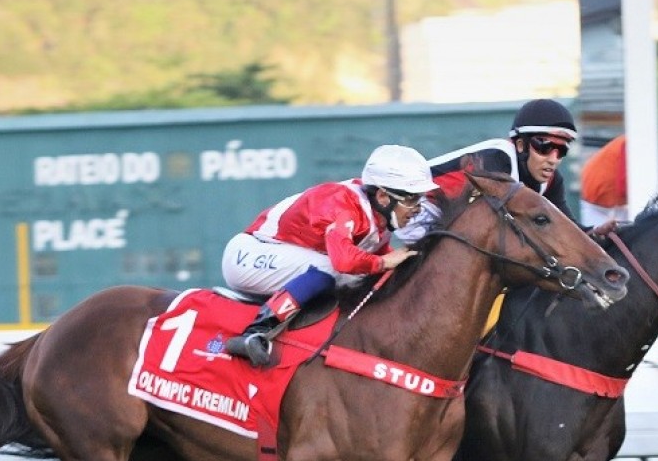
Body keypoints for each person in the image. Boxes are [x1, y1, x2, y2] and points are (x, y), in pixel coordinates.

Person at [221, 144, 439, 366]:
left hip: (282, 256)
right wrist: (383, 261)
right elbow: (343, 260)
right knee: (330, 269)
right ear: (383, 196)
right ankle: (256, 332)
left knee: (361, 277)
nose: (417, 209)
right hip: (248, 255)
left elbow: (371, 267)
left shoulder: (379, 218)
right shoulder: (343, 202)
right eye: (411, 199)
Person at [396, 98, 580, 244]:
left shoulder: (552, 181)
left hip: (449, 218)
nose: (553, 159)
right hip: (412, 208)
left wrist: (597, 234)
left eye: (561, 150)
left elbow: (570, 230)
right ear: (521, 145)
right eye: (544, 147)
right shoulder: (496, 160)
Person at [580, 134, 628, 234]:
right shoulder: (629, 143)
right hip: (592, 207)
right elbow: (623, 188)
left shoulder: (629, 142)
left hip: (613, 207)